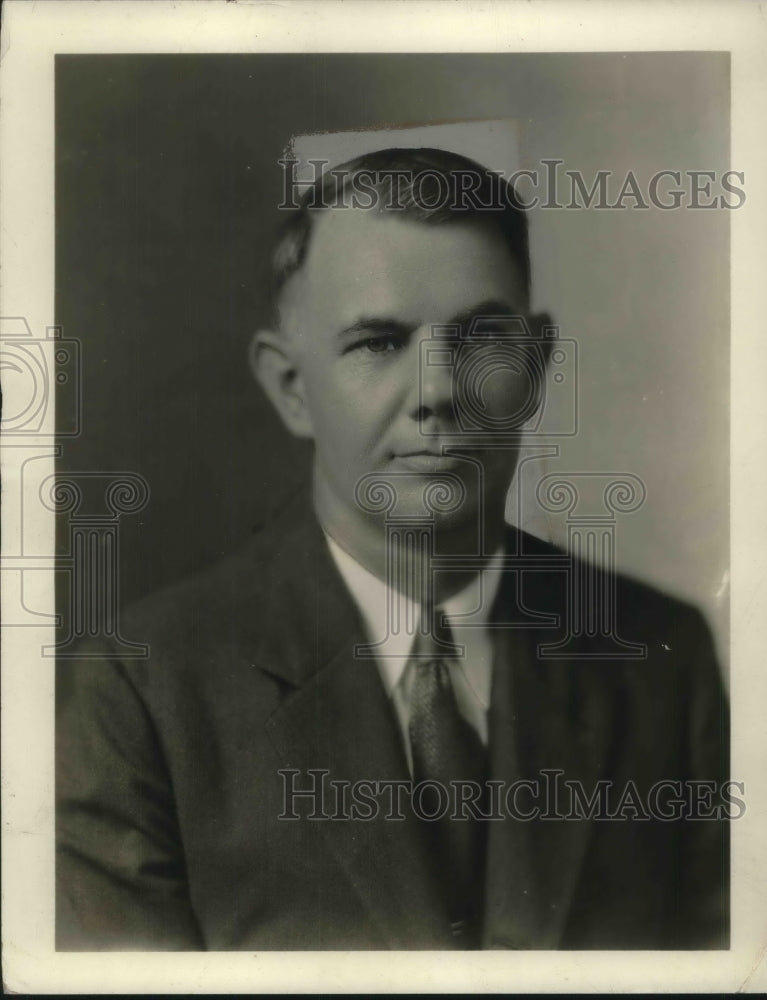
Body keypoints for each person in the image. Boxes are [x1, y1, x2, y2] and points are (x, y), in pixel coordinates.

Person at [56, 147, 729, 951]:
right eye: (378, 343)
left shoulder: (660, 655)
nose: (438, 391)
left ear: (538, 365)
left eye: (482, 337)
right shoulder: (142, 691)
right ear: (291, 387)